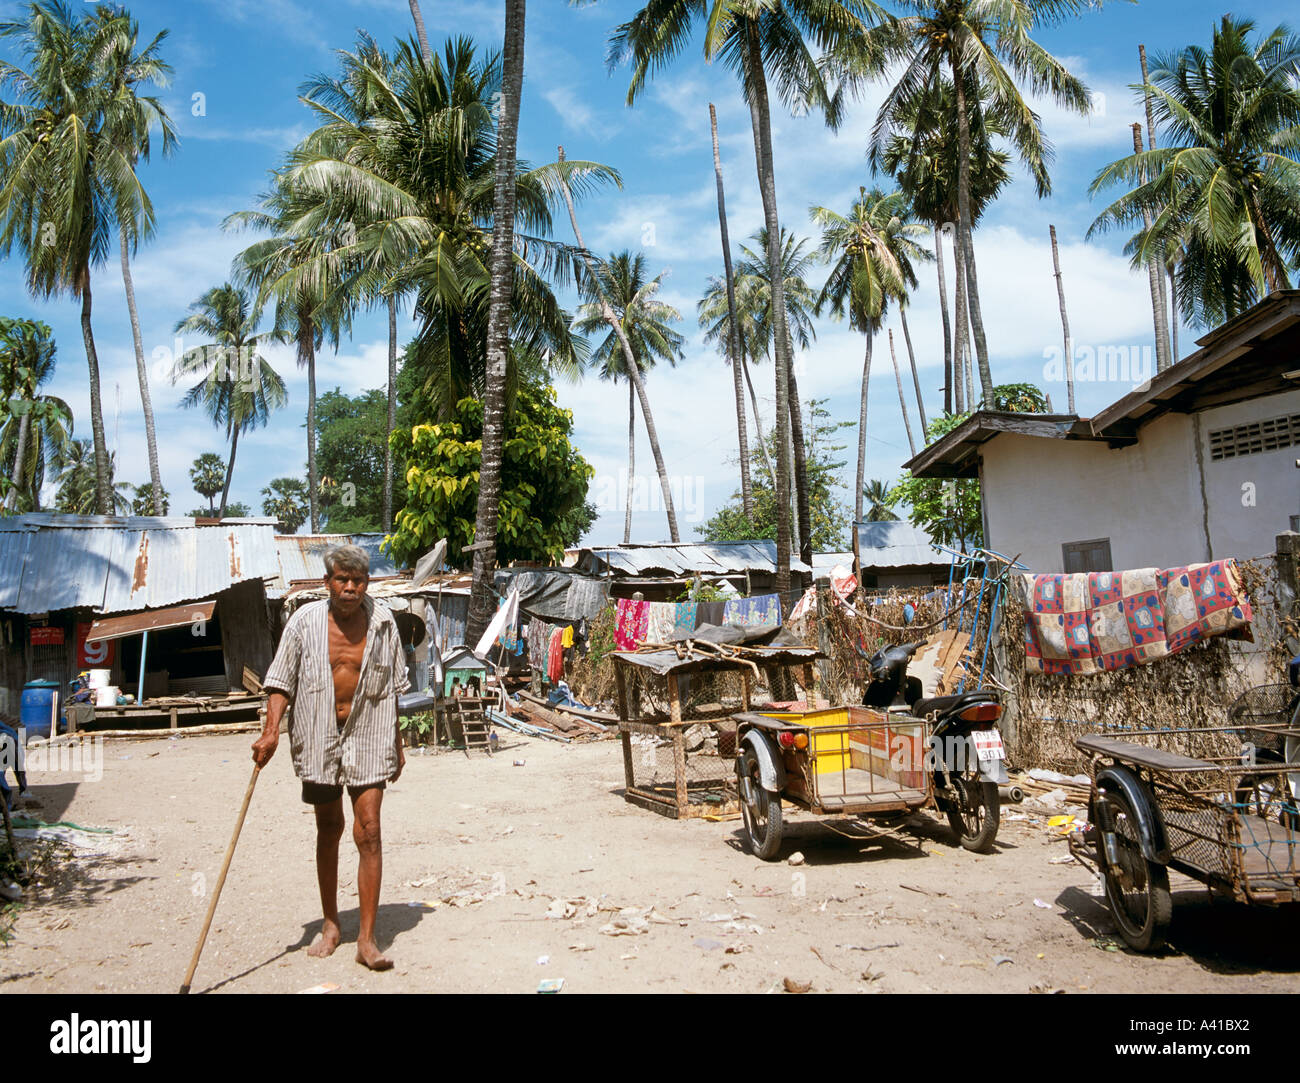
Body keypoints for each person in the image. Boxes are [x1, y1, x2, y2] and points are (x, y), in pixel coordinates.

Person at [252, 544, 409, 970]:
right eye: (342, 579)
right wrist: (270, 732)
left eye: (358, 581)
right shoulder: (303, 623)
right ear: (328, 582)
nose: (350, 588)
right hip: (318, 734)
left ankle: (368, 940)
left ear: (367, 583)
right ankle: (331, 924)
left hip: (370, 733)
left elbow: (395, 687)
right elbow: (281, 682)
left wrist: (397, 742)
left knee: (370, 831)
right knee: (330, 828)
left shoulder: (383, 624)